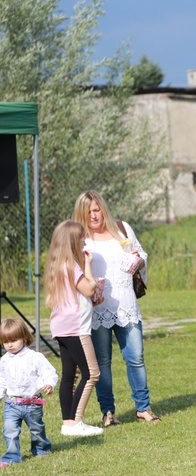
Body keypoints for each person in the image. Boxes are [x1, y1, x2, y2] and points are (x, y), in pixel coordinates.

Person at [72, 190, 159, 426]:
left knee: (136, 357)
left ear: (104, 209)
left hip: (126, 305)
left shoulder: (122, 229)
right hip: (97, 308)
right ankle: (108, 411)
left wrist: (138, 259)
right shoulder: (80, 237)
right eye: (88, 211)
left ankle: (143, 407)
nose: (94, 215)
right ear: (82, 213)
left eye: (97, 209)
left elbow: (140, 253)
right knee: (102, 362)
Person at [45, 220, 103, 436]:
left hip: (61, 327)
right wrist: (89, 264)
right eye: (81, 238)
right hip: (76, 327)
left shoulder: (57, 264)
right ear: (72, 241)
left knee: (69, 374)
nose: (84, 241)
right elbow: (88, 289)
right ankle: (76, 422)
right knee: (92, 373)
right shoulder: (72, 265)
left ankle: (67, 423)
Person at [0, 319, 58, 466]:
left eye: (14, 340)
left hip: (33, 403)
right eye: (5, 341)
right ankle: (12, 456)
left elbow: (48, 372)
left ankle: (41, 449)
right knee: (10, 430)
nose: (10, 345)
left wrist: (49, 384)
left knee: (37, 429)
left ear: (24, 338)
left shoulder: (34, 357)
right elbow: (2, 381)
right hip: (12, 403)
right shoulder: (4, 361)